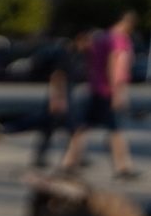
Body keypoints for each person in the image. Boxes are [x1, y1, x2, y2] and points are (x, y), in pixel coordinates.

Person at [60, 11, 140, 180]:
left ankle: (69, 161)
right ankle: (123, 167)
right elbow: (114, 62)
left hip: (96, 87)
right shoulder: (117, 38)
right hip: (108, 91)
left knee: (83, 127)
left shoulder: (100, 38)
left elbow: (90, 61)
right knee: (116, 129)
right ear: (127, 23)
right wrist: (117, 91)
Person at [32, 31, 89, 170]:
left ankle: (71, 157)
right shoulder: (66, 54)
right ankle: (69, 160)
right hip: (61, 95)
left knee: (53, 128)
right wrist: (57, 98)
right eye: (87, 41)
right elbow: (57, 75)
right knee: (69, 128)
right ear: (80, 39)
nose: (89, 45)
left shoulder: (76, 54)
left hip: (63, 95)